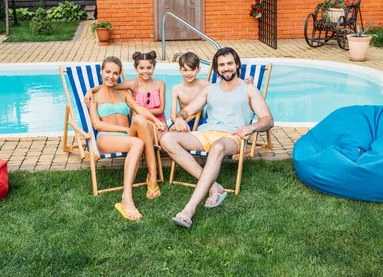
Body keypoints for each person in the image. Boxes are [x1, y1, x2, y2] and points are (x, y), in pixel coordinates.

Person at [160, 47, 274, 229]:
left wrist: (251, 127)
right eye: (221, 65)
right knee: (166, 139)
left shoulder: (249, 89)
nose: (226, 68)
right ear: (216, 68)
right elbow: (188, 110)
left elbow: (268, 119)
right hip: (206, 133)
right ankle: (214, 187)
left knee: (218, 148)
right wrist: (180, 118)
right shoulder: (210, 89)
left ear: (237, 65)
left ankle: (189, 210)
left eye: (229, 63)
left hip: (231, 136)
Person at [88, 56, 167, 221]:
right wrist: (124, 128)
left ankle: (152, 176)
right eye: (108, 72)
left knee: (139, 119)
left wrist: (155, 121)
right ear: (101, 71)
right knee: (138, 142)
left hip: (126, 138)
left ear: (119, 75)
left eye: (115, 73)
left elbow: (139, 109)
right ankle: (127, 198)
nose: (111, 76)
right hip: (106, 138)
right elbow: (97, 125)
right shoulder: (95, 97)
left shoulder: (123, 92)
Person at [169, 52, 253, 131]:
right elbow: (173, 115)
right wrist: (178, 121)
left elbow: (224, 89)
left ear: (198, 70)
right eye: (185, 70)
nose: (189, 73)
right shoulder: (176, 89)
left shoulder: (205, 85)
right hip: (182, 120)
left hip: (199, 122)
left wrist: (244, 83)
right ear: (180, 70)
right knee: (168, 135)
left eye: (192, 70)